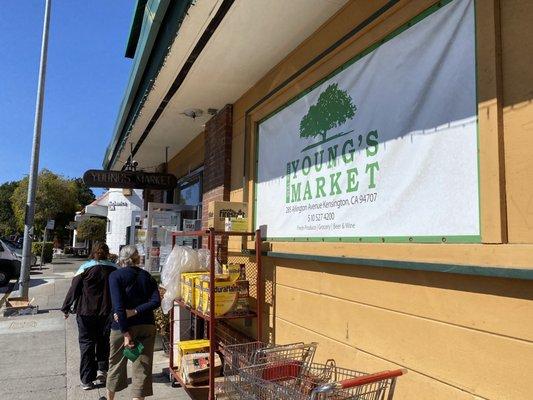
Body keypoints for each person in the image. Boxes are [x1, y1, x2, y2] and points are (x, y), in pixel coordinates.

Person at [101, 245, 161, 400]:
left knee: (115, 365)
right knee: (142, 368)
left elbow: (118, 307)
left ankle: (110, 399)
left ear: (121, 259)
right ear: (137, 258)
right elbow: (156, 301)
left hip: (121, 328)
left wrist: (126, 332)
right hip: (146, 325)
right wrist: (136, 311)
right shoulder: (147, 276)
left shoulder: (115, 276)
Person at [61, 242, 117, 390]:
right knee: (103, 341)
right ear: (107, 253)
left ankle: (87, 380)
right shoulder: (114, 269)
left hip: (85, 312)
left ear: (93, 252)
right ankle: (102, 370)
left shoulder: (85, 268)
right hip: (106, 312)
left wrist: (66, 307)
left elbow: (74, 289)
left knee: (86, 344)